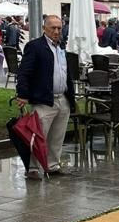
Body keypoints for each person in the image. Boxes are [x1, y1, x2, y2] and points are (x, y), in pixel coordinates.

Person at [16, 15, 75, 179]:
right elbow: (24, 72)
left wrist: (71, 95)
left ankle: (52, 165)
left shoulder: (61, 47)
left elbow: (65, 72)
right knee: (38, 135)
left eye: (59, 28)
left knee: (57, 135)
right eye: (53, 28)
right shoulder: (35, 46)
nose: (56, 31)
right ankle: (33, 168)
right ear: (45, 28)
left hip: (62, 98)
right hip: (43, 99)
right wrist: (22, 94)